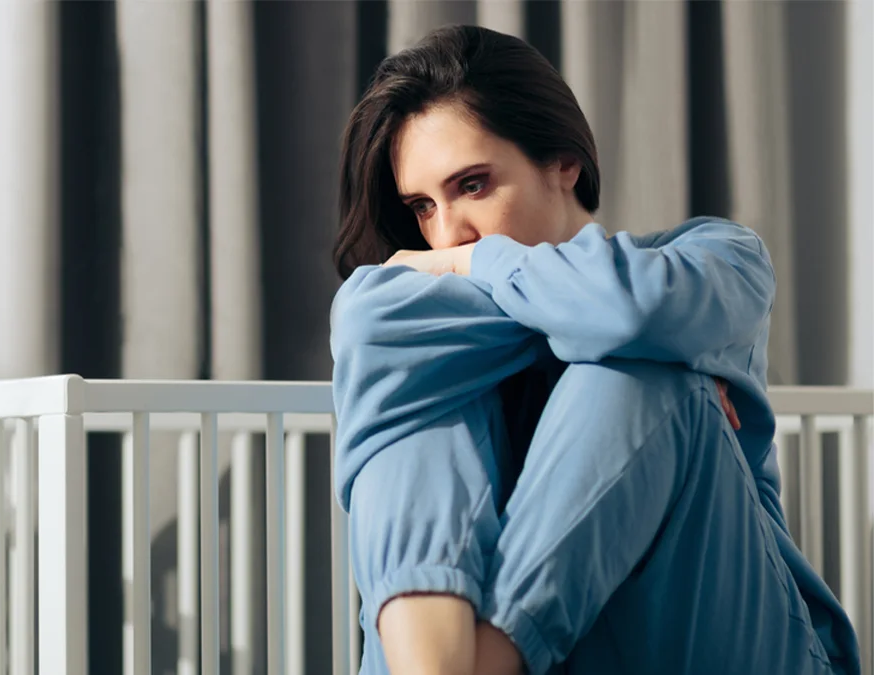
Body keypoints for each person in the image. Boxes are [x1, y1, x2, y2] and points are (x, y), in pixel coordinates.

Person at [329, 24, 859, 675]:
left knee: (639, 368)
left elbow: (639, 309)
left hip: (728, 641)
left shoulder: (711, 260)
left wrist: (477, 264)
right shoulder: (410, 313)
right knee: (417, 395)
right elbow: (362, 311)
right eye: (422, 206)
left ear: (563, 163)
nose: (448, 235)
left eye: (472, 185)